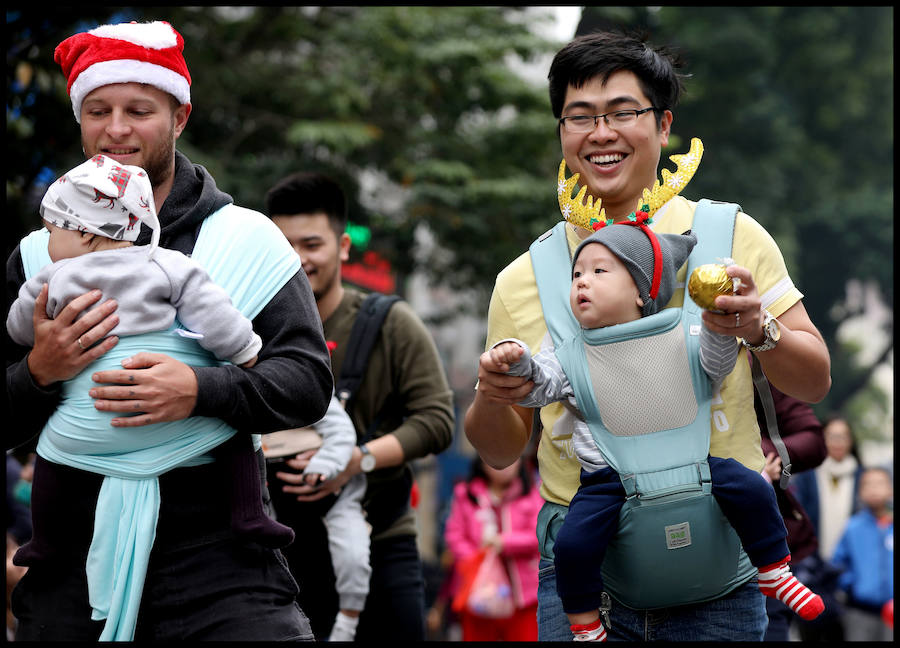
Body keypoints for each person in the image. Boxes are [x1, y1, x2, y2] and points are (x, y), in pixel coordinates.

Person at [464, 30, 831, 641]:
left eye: (622, 113)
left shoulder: (731, 236)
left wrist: (759, 330)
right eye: (579, 117)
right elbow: (500, 449)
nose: (601, 133)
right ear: (562, 135)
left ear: (663, 128)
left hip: (723, 570)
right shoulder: (526, 277)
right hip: (586, 581)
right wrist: (491, 392)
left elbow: (814, 381)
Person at [5, 20, 333, 642]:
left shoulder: (246, 239)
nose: (117, 129)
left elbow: (308, 383)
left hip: (224, 564)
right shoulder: (36, 256)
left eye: (139, 109)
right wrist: (39, 371)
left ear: (179, 117)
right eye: (98, 109)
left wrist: (200, 390)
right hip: (69, 567)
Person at [489, 223, 823, 640]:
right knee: (573, 545)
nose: (581, 283)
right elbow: (541, 387)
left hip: (693, 464)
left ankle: (774, 570)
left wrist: (722, 326)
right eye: (576, 275)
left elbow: (715, 368)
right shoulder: (569, 351)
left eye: (599, 272)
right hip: (609, 481)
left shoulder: (681, 331)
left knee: (752, 489)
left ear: (641, 290)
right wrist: (517, 364)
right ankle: (584, 623)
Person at [263, 171, 455, 641]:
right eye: (284, 245)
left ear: (343, 246)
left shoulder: (390, 323)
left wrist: (357, 460)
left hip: (379, 540)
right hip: (279, 550)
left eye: (311, 244)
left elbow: (436, 420)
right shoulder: (249, 330)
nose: (297, 259)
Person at [267, 391, 373, 642]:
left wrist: (322, 467)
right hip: (274, 501)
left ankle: (348, 620)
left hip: (334, 497)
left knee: (353, 555)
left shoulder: (308, 388)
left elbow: (342, 432)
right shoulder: (249, 388)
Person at [444, 455, 543, 641]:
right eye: (495, 456)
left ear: (520, 461)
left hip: (523, 596)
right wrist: (480, 559)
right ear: (482, 462)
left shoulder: (532, 492)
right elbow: (454, 536)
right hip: (478, 593)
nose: (504, 465)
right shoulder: (465, 493)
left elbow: (539, 534)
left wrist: (503, 543)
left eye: (510, 457)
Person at [829, 466, 894, 642]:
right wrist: (851, 585)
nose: (873, 489)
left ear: (890, 488)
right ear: (860, 490)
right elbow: (838, 564)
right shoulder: (853, 527)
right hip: (860, 611)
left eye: (879, 483)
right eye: (867, 484)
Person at [792, 415, 864, 560]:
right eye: (832, 436)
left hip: (853, 558)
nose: (838, 442)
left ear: (851, 440)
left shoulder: (862, 476)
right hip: (814, 559)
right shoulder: (807, 475)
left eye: (843, 436)